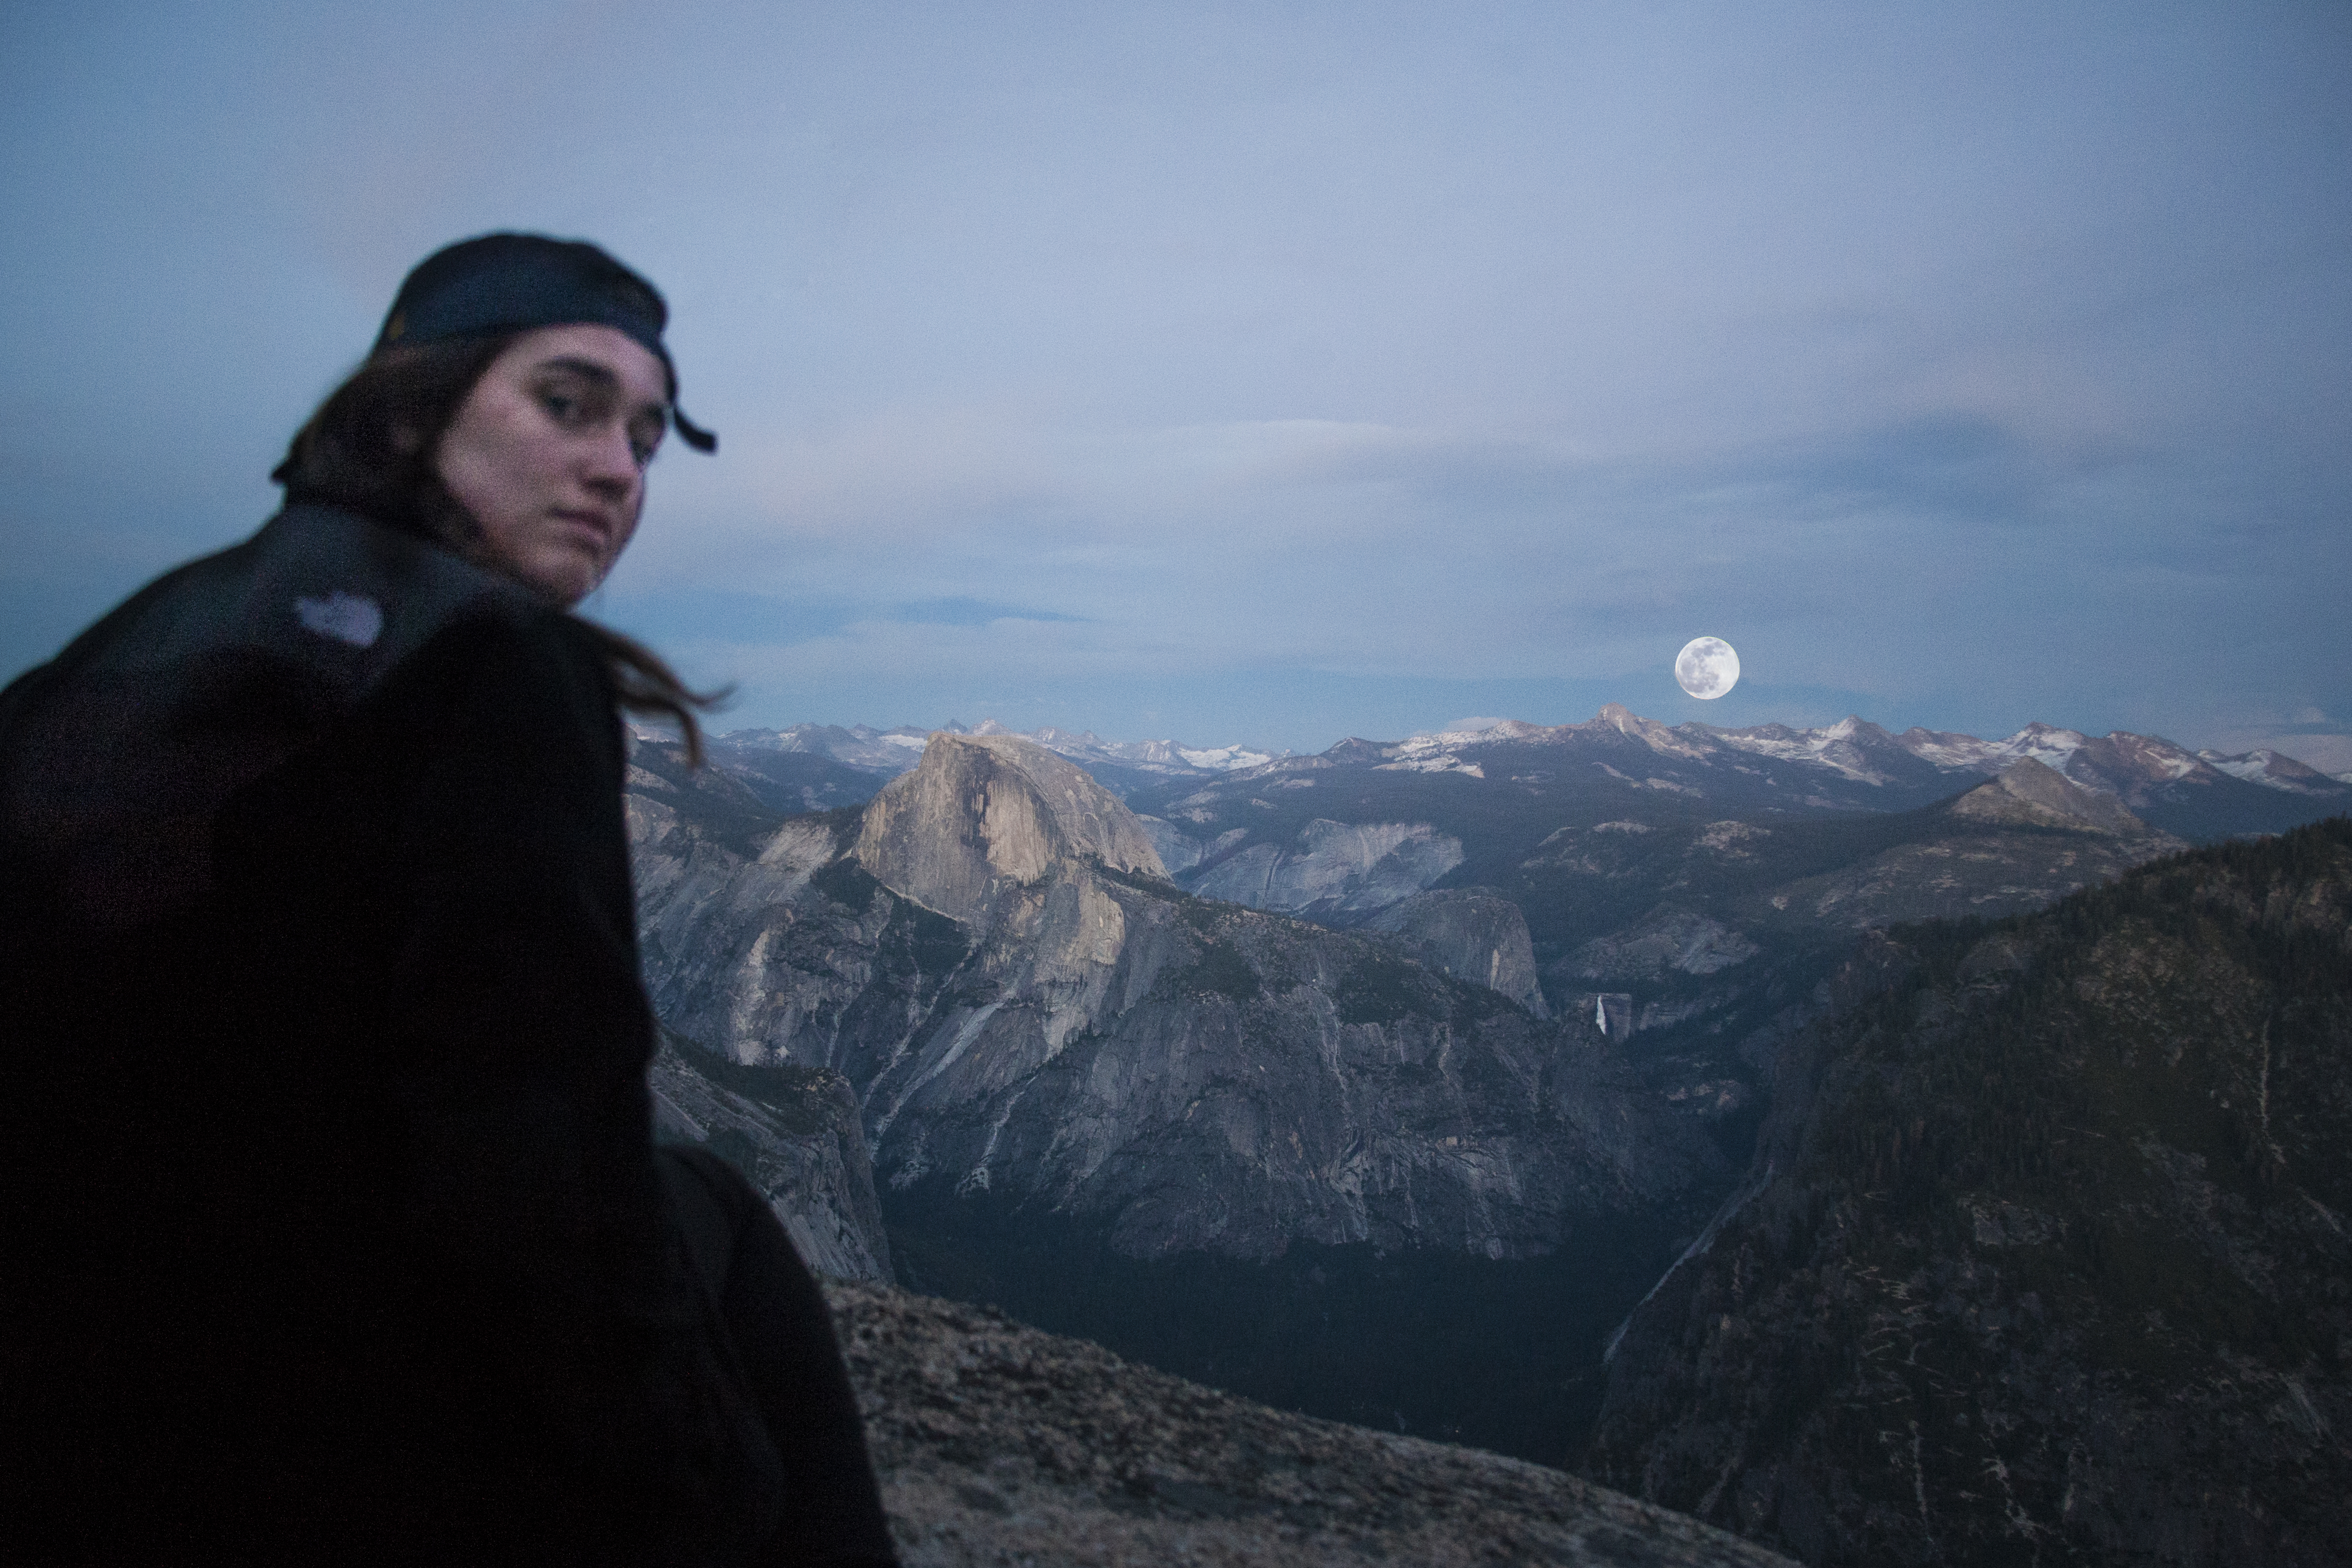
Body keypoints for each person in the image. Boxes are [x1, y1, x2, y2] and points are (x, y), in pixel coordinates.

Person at [0, 235, 899, 1566]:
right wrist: (712, 1492)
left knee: (694, 1185)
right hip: (319, 1443)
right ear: (414, 406)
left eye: (647, 439)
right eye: (568, 403)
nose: (617, 470)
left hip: (68, 1404)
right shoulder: (496, 670)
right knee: (723, 1230)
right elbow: (538, 1170)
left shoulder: (122, 643)